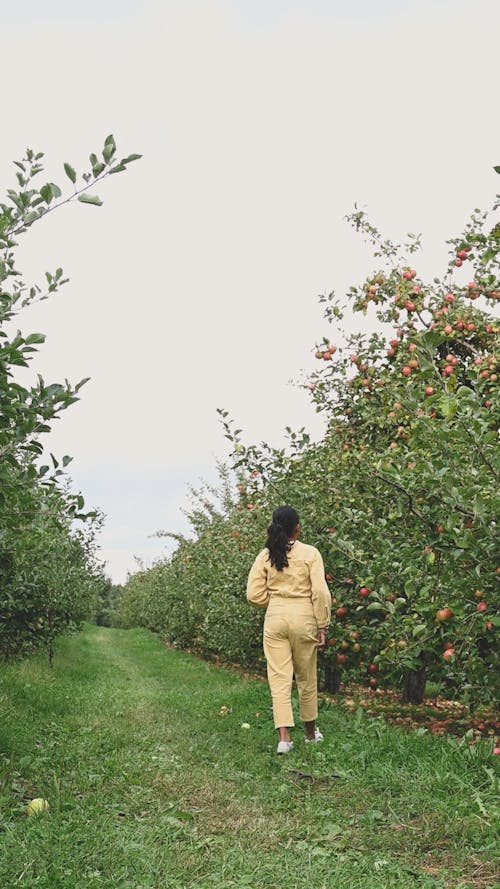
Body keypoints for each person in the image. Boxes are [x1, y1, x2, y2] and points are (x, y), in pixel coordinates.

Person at [246, 505, 331, 754]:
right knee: (306, 677)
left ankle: (284, 739)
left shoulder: (266, 555)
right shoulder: (310, 553)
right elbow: (320, 592)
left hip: (276, 618)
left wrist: (272, 601)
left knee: (279, 679)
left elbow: (253, 593)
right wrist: (322, 624)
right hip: (304, 616)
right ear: (297, 528)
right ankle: (310, 733)